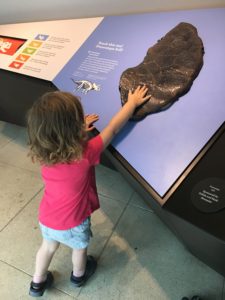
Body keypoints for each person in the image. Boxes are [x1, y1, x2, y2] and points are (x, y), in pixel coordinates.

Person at [27, 85, 150, 297]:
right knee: (80, 249)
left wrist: (77, 130)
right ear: (70, 129)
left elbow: (60, 141)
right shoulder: (85, 154)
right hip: (74, 222)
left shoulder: (43, 153)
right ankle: (79, 276)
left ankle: (37, 283)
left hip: (47, 218)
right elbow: (112, 128)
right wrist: (131, 104)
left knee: (47, 248)